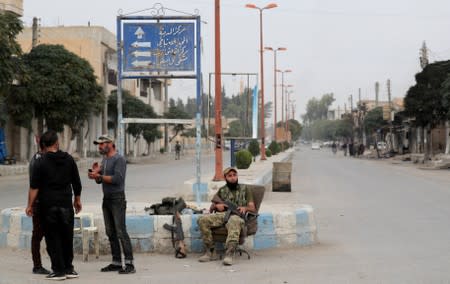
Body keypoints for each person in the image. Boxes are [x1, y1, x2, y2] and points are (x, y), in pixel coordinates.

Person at [26, 130, 82, 280]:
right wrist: (77, 199)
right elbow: (76, 182)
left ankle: (58, 270)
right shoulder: (69, 159)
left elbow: (34, 187)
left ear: (43, 145)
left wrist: (30, 205)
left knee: (52, 237)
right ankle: (69, 268)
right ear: (57, 143)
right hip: (65, 205)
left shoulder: (40, 162)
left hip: (48, 206)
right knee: (67, 237)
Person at [88, 134, 136, 274]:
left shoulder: (119, 159)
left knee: (121, 231)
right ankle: (116, 262)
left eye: (102, 144)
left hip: (117, 199)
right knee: (110, 232)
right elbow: (100, 180)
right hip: (107, 199)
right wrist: (95, 174)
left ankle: (129, 264)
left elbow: (117, 179)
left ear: (110, 144)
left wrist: (100, 176)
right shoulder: (105, 159)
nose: (100, 147)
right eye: (99, 144)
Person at [197, 167, 256, 266]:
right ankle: (211, 252)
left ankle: (229, 254)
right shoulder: (222, 190)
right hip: (223, 214)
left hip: (237, 216)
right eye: (230, 176)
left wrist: (245, 208)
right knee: (202, 220)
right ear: (225, 178)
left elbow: (252, 208)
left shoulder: (245, 189)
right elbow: (211, 208)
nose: (233, 178)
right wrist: (217, 206)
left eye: (234, 175)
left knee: (234, 221)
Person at [28, 138, 51, 275]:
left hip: (39, 202)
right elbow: (34, 185)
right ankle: (37, 266)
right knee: (39, 235)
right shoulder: (41, 160)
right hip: (42, 202)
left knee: (38, 235)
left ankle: (39, 264)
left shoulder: (35, 158)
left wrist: (30, 204)